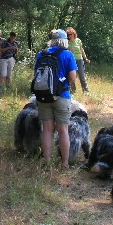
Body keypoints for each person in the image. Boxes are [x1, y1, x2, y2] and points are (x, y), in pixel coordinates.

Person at [35, 29, 77, 167]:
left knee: (46, 129)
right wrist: (61, 84)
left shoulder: (42, 54)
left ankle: (46, 161)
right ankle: (64, 163)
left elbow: (37, 74)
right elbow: (72, 77)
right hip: (62, 95)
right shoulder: (68, 54)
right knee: (63, 130)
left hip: (43, 95)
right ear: (64, 40)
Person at [66, 27, 90, 94]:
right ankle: (73, 91)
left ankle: (86, 91)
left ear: (74, 34)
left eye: (70, 34)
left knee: (82, 76)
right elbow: (67, 52)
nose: (69, 36)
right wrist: (69, 50)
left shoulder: (78, 40)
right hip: (71, 60)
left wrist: (85, 58)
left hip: (79, 59)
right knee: (72, 76)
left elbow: (82, 50)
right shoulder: (67, 42)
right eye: (68, 35)